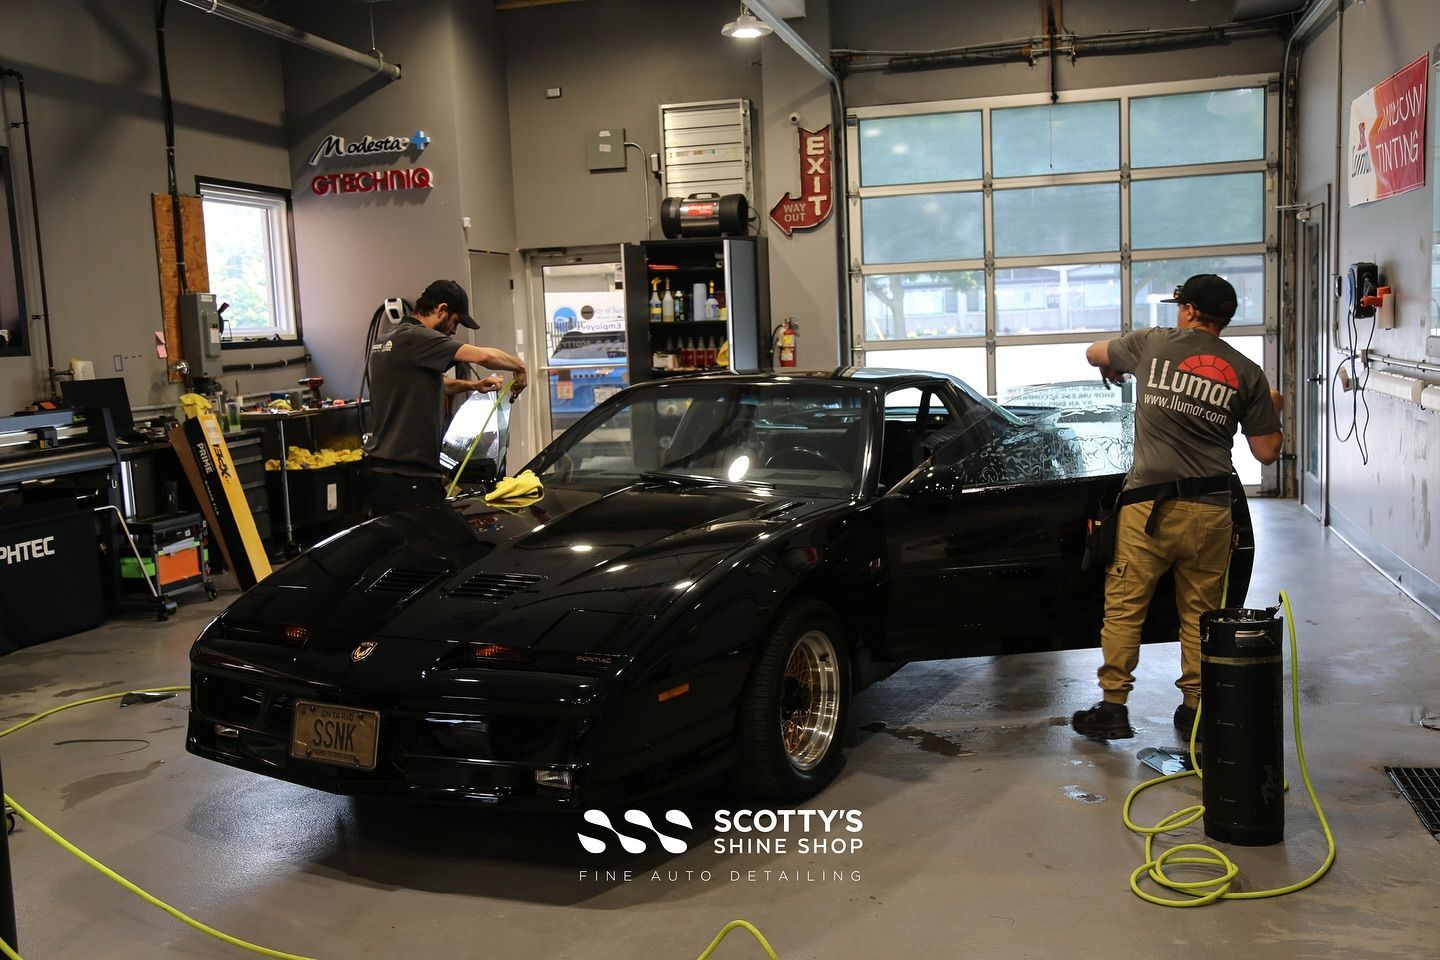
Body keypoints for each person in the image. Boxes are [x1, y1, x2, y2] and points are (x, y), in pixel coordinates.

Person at [1071, 274, 1283, 741]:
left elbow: (1093, 353)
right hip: (1210, 510)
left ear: (1187, 310)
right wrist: (1273, 407)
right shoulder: (1246, 372)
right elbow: (1267, 452)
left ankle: (1113, 707)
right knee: (1201, 614)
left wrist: (1116, 365)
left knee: (1126, 607)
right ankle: (1194, 713)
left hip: (1146, 509)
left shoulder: (1151, 344)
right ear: (1224, 319)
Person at [365, 279, 527, 515]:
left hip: (385, 471)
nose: (454, 330)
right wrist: (520, 366)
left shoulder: (391, 338)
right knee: (436, 546)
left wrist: (473, 384)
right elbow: (481, 356)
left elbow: (429, 383)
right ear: (441, 309)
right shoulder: (417, 337)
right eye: (455, 321)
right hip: (410, 475)